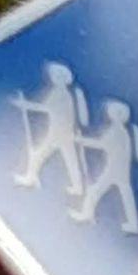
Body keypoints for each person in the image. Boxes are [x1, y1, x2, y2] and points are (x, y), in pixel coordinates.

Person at [12, 61, 88, 196]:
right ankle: (77, 187)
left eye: (56, 76)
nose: (54, 78)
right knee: (66, 160)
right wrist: (25, 105)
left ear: (64, 78)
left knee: (45, 155)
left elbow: (43, 108)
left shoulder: (60, 94)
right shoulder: (62, 93)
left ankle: (31, 177)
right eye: (53, 76)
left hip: (59, 133)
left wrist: (24, 105)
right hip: (62, 133)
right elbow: (45, 108)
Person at [72, 98, 138, 234]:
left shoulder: (116, 131)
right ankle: (133, 224)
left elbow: (101, 145)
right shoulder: (123, 132)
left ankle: (86, 214)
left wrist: (81, 141)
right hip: (122, 170)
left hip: (114, 169)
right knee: (126, 195)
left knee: (95, 190)